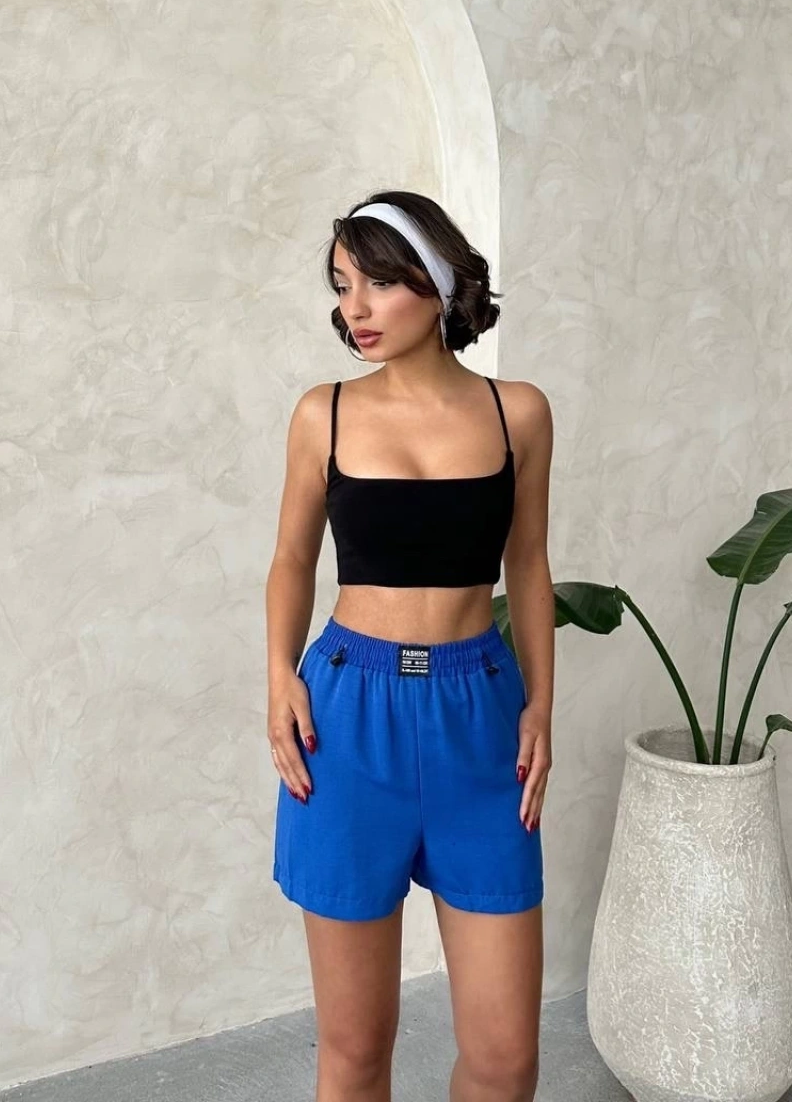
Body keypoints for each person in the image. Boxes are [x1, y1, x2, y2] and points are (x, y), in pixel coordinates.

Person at [266, 189, 555, 1102]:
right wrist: (278, 675)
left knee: (505, 1059)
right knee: (356, 1050)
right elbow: (291, 558)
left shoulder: (518, 413)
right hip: (348, 719)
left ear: (437, 282)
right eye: (342, 285)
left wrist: (542, 704)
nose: (354, 308)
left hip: (481, 715)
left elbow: (530, 564)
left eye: (378, 283)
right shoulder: (324, 414)